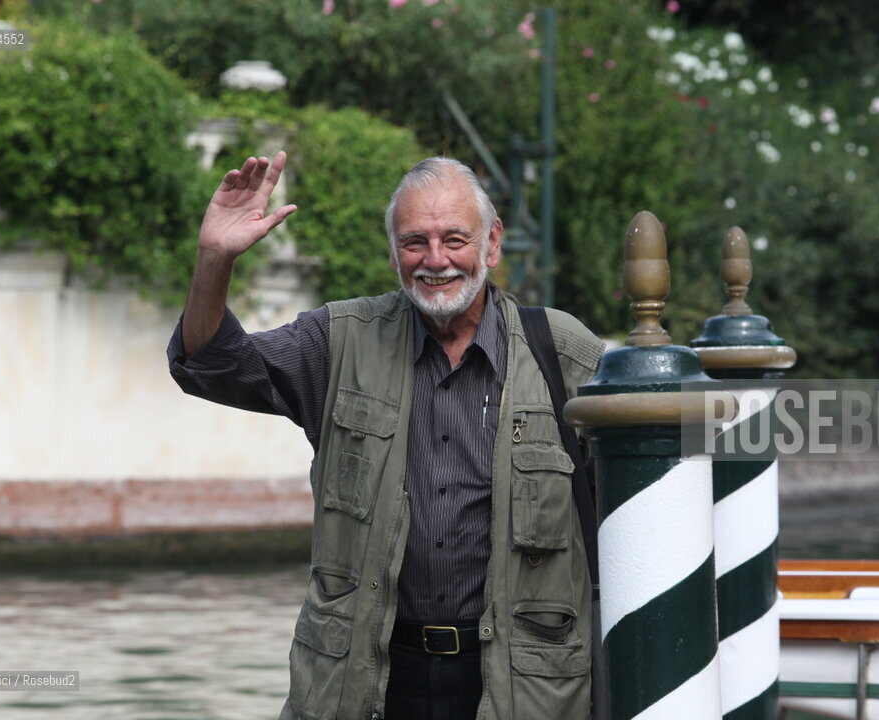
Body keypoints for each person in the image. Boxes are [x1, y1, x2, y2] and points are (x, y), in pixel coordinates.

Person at [168, 152, 604, 720]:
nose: (436, 260)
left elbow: (642, 499)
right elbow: (211, 365)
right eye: (414, 242)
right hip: (367, 679)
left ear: (492, 243)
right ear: (393, 252)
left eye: (455, 239)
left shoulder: (563, 354)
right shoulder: (339, 341)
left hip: (523, 684)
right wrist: (214, 259)